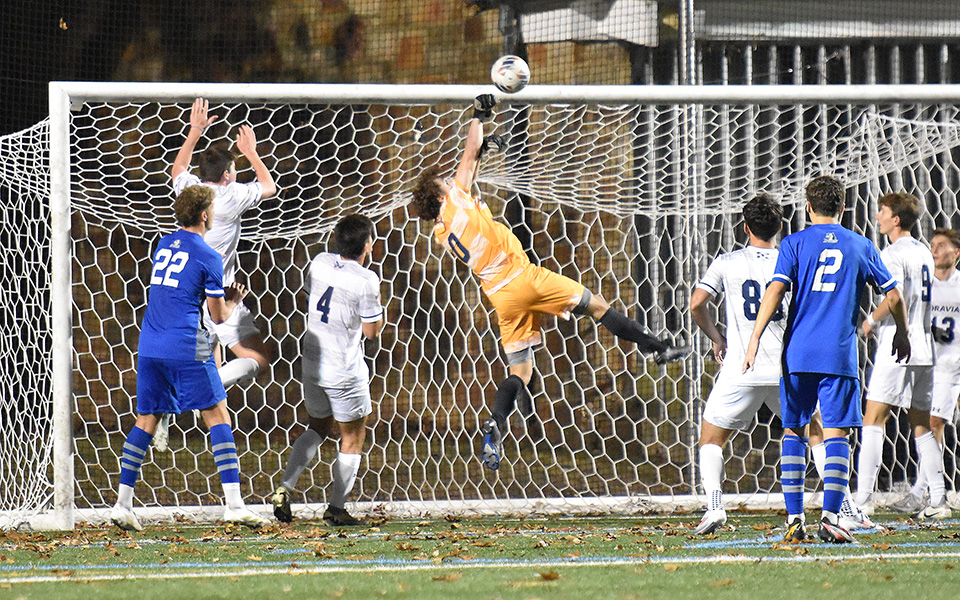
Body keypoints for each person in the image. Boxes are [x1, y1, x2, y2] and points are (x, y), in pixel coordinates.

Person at [409, 94, 689, 471]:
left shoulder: (443, 231)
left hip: (500, 299)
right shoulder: (454, 197)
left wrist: (483, 151)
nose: (450, 179)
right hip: (525, 278)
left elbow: (471, 167)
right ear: (440, 191)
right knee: (598, 306)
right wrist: (479, 114)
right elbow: (468, 152)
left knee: (520, 373)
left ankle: (496, 420)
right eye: (445, 181)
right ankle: (657, 347)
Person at [690, 194, 872, 535]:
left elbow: (697, 302)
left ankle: (714, 506)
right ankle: (845, 507)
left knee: (711, 436)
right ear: (780, 227)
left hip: (742, 366)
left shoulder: (727, 261)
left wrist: (718, 337)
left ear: (745, 227)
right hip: (786, 365)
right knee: (816, 432)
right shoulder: (794, 256)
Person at [743, 176, 910, 544]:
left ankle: (794, 519)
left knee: (794, 431)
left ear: (807, 207)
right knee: (837, 434)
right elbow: (894, 296)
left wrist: (753, 338)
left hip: (798, 354)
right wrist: (902, 331)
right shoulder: (861, 245)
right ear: (844, 207)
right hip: (838, 356)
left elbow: (775, 289)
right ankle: (832, 517)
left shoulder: (793, 243)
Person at [110, 186, 269, 531]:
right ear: (203, 215)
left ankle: (122, 503)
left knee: (146, 420)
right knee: (218, 415)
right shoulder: (209, 255)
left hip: (151, 345)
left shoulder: (163, 244)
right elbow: (219, 316)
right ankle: (235, 505)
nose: (215, 213)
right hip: (186, 346)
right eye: (212, 208)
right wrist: (233, 298)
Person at [152, 98, 278, 452]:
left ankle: (216, 444)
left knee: (216, 370)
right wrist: (251, 153)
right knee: (255, 360)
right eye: (233, 170)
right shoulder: (230, 195)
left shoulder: (193, 191)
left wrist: (194, 132)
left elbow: (177, 168)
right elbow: (269, 188)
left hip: (191, 295)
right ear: (226, 175)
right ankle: (177, 398)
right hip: (221, 295)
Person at [270, 214, 383, 526]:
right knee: (352, 437)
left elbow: (312, 297)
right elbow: (372, 332)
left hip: (312, 363)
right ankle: (336, 508)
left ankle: (285, 487)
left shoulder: (319, 262)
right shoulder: (366, 280)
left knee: (317, 427)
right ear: (368, 245)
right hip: (344, 370)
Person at [853, 193, 943, 519]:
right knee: (920, 424)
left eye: (882, 212)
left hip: (899, 343)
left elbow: (895, 299)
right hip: (926, 345)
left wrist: (875, 322)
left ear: (896, 220)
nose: (877, 216)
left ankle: (862, 502)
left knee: (873, 417)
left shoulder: (891, 253)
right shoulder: (923, 252)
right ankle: (937, 501)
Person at [886, 227, 960, 515]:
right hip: (934, 365)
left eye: (942, 246)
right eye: (932, 245)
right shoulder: (924, 285)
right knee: (931, 423)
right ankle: (922, 492)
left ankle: (922, 493)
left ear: (957, 253)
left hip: (953, 364)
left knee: (931, 424)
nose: (935, 250)